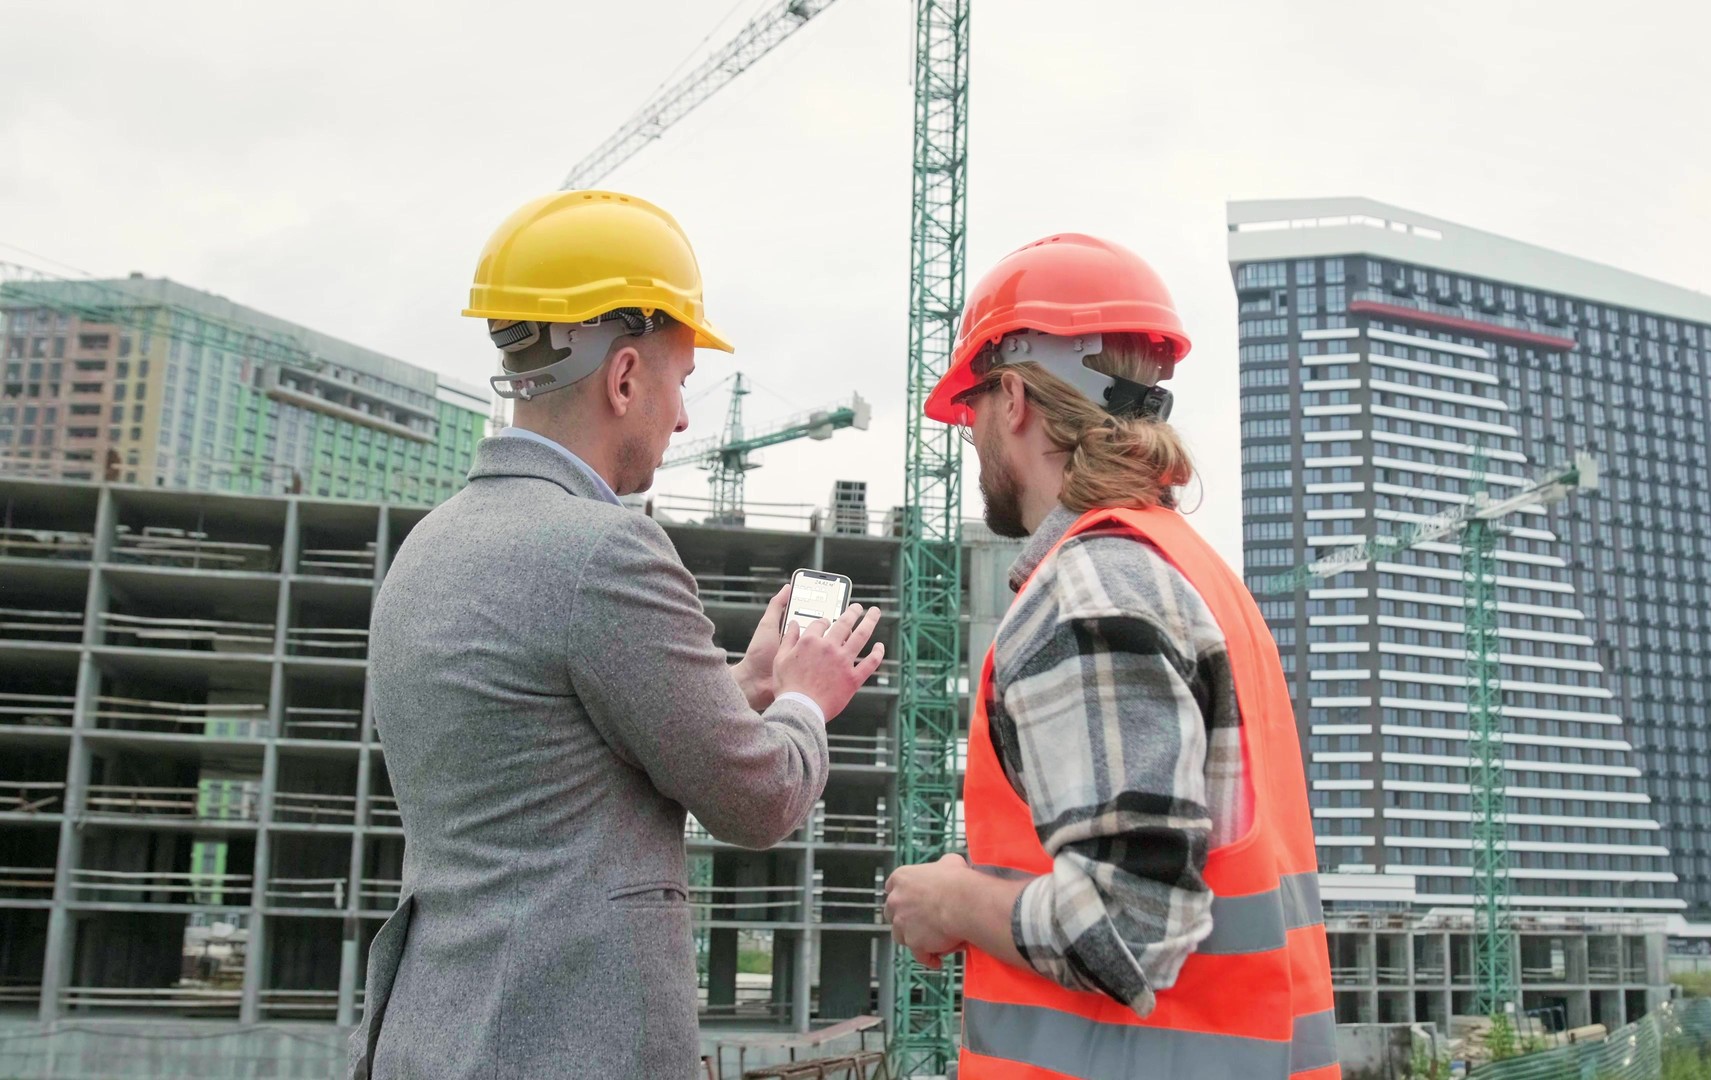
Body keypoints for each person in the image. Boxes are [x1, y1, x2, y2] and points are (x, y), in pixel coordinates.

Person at [349, 190, 885, 1079]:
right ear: (625, 377)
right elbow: (758, 801)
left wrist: (741, 686)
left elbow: (552, 730)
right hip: (563, 1043)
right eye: (679, 384)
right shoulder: (605, 550)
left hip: (430, 1036)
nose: (681, 419)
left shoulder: (429, 548)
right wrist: (803, 699)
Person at [883, 234, 1338, 1079]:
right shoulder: (1180, 565)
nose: (971, 435)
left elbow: (1124, 929)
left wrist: (951, 900)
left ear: (1012, 398)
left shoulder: (1090, 590)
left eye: (973, 408)